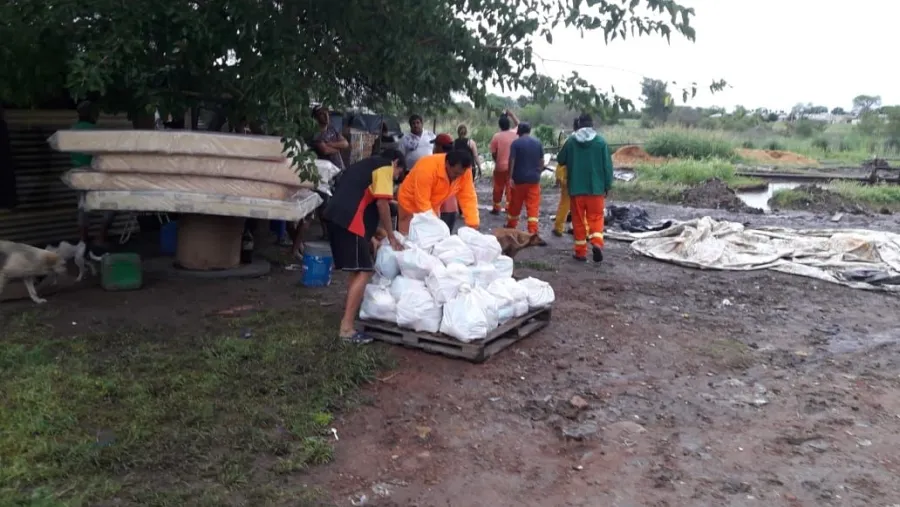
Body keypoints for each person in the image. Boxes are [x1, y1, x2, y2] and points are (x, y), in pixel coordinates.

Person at [323, 148, 407, 344]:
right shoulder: (384, 166)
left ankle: (349, 317)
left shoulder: (362, 166)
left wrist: (371, 235)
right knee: (364, 271)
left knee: (356, 270)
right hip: (349, 221)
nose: (395, 179)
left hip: (335, 217)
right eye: (398, 174)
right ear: (395, 163)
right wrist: (392, 237)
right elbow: (382, 205)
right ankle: (346, 329)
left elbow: (360, 199)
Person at [556, 113, 613, 263]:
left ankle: (580, 253)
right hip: (596, 188)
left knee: (579, 220)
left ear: (579, 124)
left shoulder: (571, 141)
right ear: (592, 124)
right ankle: (596, 243)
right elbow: (607, 167)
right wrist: (607, 185)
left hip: (576, 188)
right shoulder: (601, 142)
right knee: (596, 217)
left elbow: (560, 159)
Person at [396, 149, 479, 235]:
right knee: (408, 237)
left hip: (432, 205)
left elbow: (468, 196)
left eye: (460, 174)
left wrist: (473, 223)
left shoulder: (464, 171)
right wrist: (435, 223)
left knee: (433, 236)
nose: (457, 177)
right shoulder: (426, 168)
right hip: (409, 202)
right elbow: (422, 201)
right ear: (447, 164)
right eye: (455, 173)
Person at [72, 101, 116, 250]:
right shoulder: (95, 131)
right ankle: (100, 237)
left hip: (77, 175)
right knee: (111, 205)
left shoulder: (73, 130)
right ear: (91, 114)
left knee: (83, 208)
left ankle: (83, 242)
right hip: (93, 175)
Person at [506, 122, 544, 234]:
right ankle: (532, 230)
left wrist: (510, 177)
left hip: (519, 180)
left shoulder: (516, 144)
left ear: (519, 132)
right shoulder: (537, 143)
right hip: (534, 180)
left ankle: (511, 226)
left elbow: (512, 161)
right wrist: (538, 172)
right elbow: (541, 161)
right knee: (533, 205)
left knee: (515, 204)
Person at [553, 117, 589, 237]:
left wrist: (558, 177)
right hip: (584, 179)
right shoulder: (591, 142)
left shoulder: (570, 141)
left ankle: (558, 228)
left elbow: (561, 160)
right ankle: (586, 231)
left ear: (574, 127)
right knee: (582, 206)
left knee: (565, 204)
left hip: (569, 178)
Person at [488, 109, 519, 214]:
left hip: (500, 166)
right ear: (509, 124)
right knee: (510, 187)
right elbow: (520, 125)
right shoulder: (515, 133)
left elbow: (493, 152)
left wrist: (497, 160)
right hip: (513, 166)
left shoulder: (496, 136)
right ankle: (509, 207)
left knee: (498, 187)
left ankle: (496, 207)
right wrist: (511, 114)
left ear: (499, 125)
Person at [430, 133, 460, 231]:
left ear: (439, 147)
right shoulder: (454, 162)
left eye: (435, 146)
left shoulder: (436, 163)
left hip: (441, 209)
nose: (433, 148)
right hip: (453, 207)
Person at [310, 105, 348, 170]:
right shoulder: (316, 134)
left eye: (326, 112)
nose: (326, 115)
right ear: (315, 118)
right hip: (328, 173)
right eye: (322, 113)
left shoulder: (332, 129)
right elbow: (325, 150)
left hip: (340, 168)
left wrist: (329, 144)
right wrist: (339, 148)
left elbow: (346, 143)